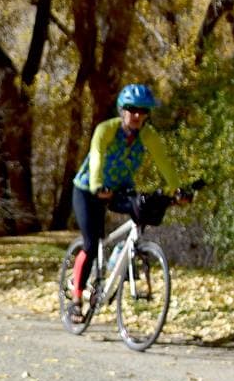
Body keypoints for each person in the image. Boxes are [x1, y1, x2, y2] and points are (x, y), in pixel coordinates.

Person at [69, 83, 189, 304]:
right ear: (122, 109)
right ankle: (76, 296)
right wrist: (97, 185)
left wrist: (176, 190)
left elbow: (164, 163)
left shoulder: (147, 135)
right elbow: (96, 156)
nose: (137, 115)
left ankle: (120, 258)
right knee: (91, 243)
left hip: (119, 188)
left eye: (143, 111)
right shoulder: (106, 129)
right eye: (132, 109)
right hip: (88, 188)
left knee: (142, 210)